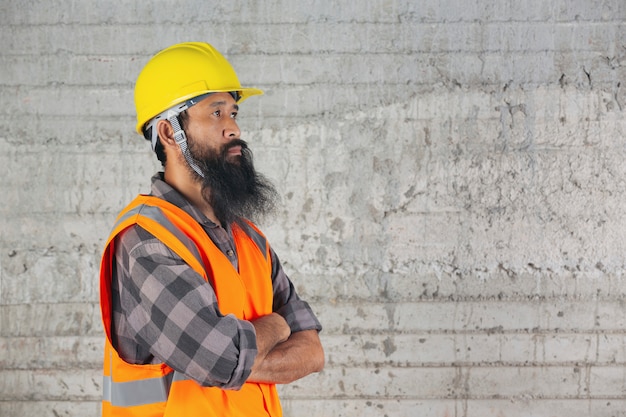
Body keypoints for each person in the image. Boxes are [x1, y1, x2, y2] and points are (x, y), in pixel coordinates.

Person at [99, 42, 324, 417]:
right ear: (171, 133)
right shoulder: (145, 241)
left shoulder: (249, 238)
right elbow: (221, 360)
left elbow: (313, 353)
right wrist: (277, 324)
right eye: (215, 113)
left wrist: (239, 357)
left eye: (233, 112)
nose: (233, 127)